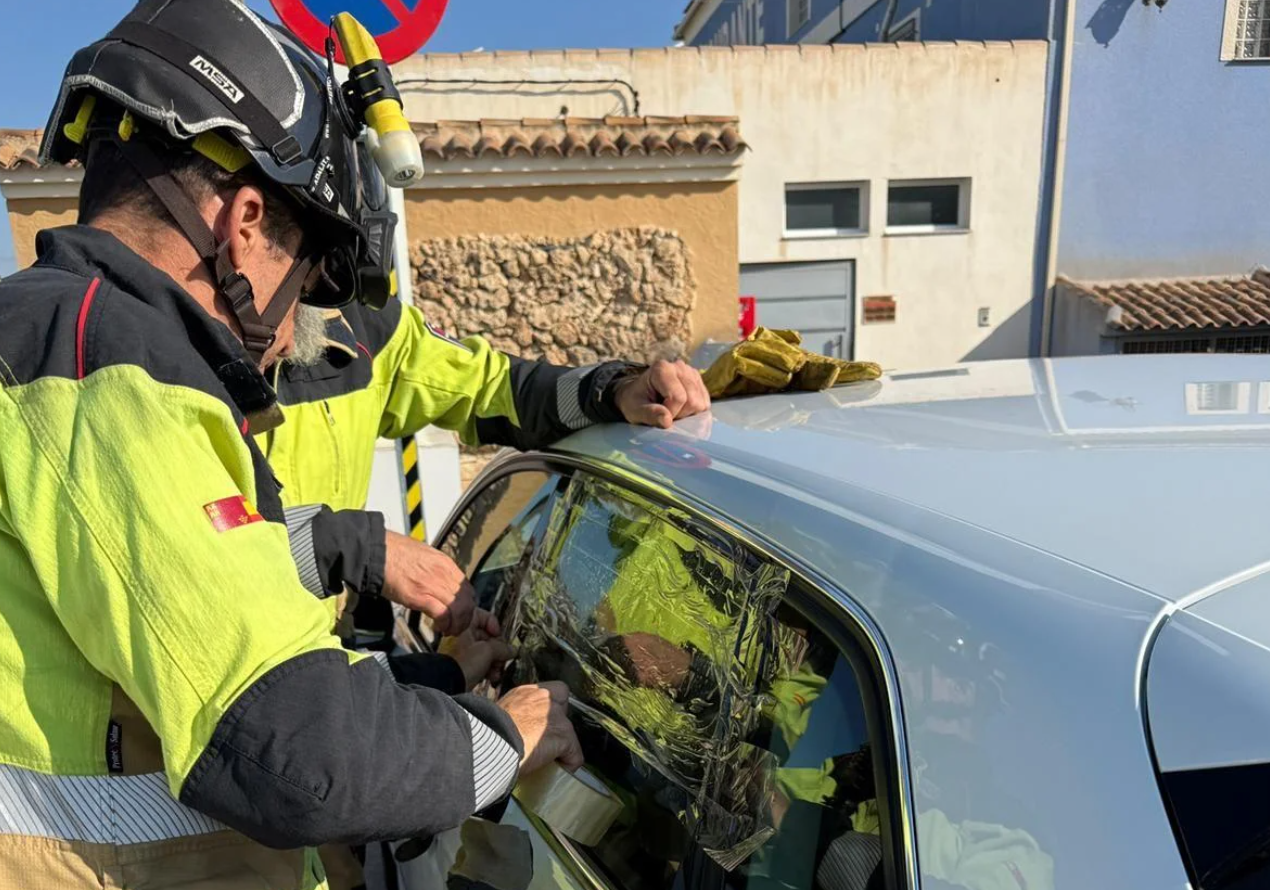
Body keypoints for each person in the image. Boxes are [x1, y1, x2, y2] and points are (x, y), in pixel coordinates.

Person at [0, 2, 582, 886]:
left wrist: (419, 675)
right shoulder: (106, 369)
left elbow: (163, 609)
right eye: (305, 273)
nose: (288, 334)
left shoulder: (46, 336)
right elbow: (298, 753)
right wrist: (513, 733)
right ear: (242, 221)